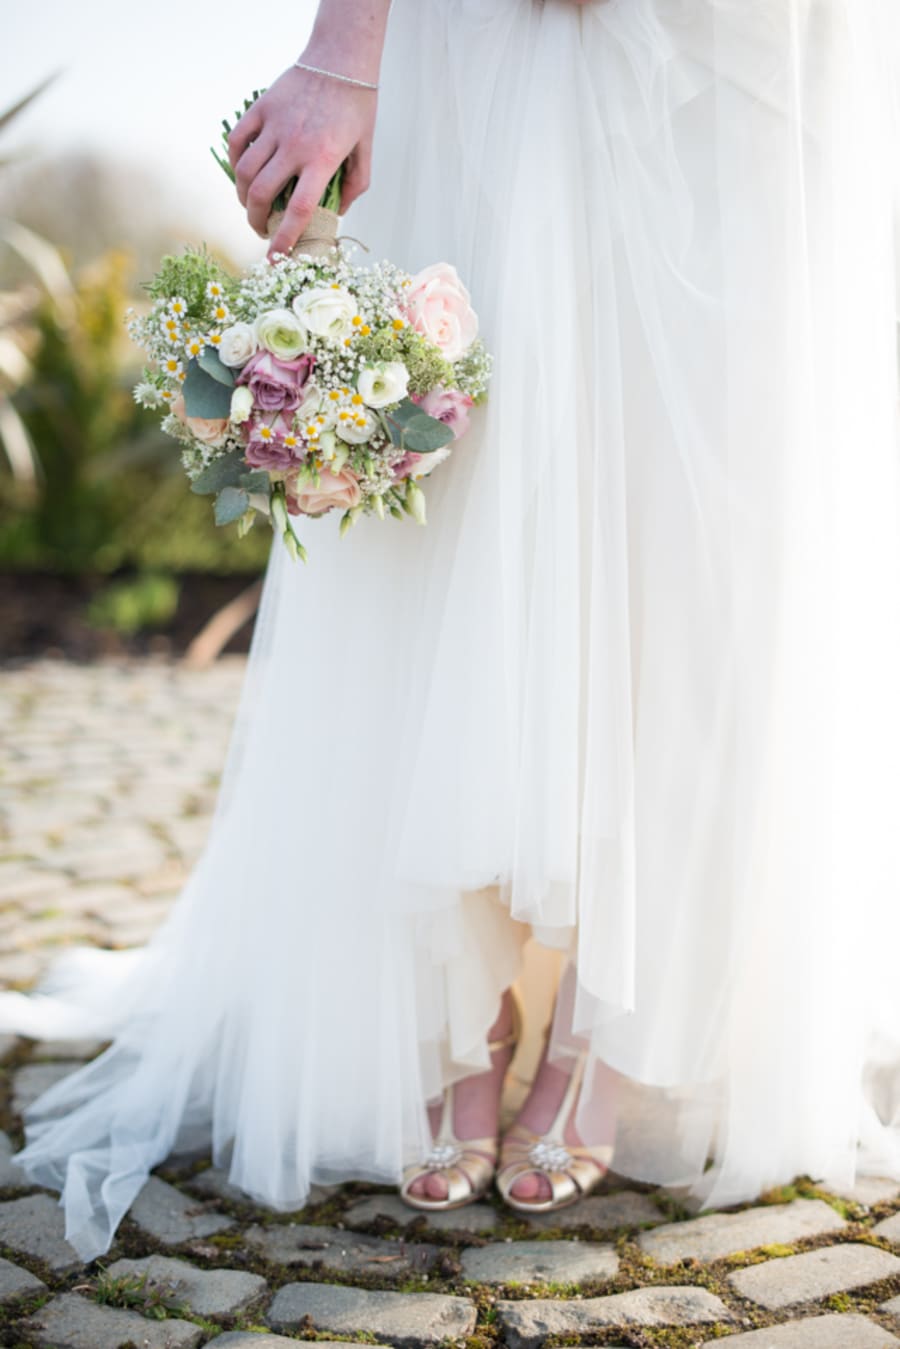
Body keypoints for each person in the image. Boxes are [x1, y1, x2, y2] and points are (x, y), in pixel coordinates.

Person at [3, 0, 900, 1258]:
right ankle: (450, 1000)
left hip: (748, 37)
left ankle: (614, 1018)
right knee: (454, 481)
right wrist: (343, 51)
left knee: (712, 514)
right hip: (487, 36)